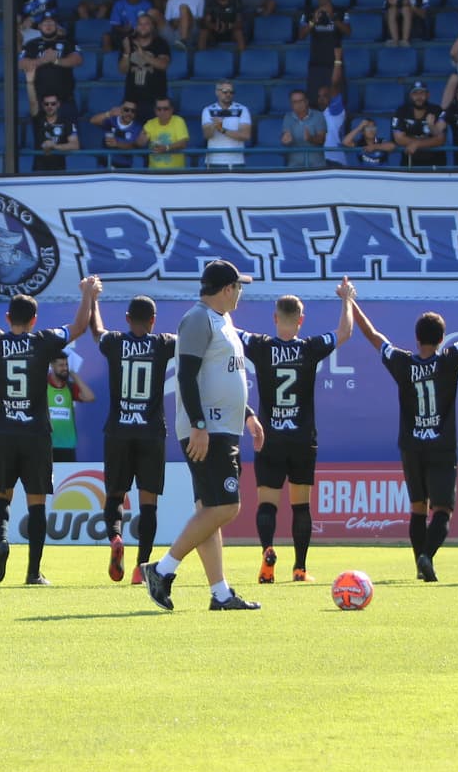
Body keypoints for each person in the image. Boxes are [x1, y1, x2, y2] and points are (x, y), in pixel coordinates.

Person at [352, 276, 458, 583]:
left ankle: (419, 563)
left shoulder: (403, 363)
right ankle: (427, 555)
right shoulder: (449, 360)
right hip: (442, 445)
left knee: (417, 507)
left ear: (417, 339)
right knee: (442, 510)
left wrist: (350, 302)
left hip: (411, 445)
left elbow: (372, 335)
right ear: (442, 340)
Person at [0, 271, 95, 587]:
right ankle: (33, 572)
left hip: (2, 431)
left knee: (0, 497)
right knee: (37, 503)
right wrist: (87, 293)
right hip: (35, 434)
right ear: (34, 319)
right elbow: (80, 326)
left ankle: (2, 541)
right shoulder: (43, 341)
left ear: (7, 318)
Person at [142, 259, 267, 613]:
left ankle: (220, 594)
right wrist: (198, 424)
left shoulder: (222, 320)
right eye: (238, 287)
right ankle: (162, 570)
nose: (240, 293)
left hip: (221, 426)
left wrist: (248, 415)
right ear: (226, 289)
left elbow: (223, 376)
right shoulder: (198, 318)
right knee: (227, 506)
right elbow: (186, 375)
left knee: (208, 512)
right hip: (208, 429)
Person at [242, 281, 356, 585]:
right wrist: (346, 299)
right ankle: (300, 569)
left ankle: (267, 554)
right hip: (302, 440)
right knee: (301, 505)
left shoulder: (261, 346)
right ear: (301, 320)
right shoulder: (309, 348)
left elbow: (229, 330)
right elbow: (345, 332)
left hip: (269, 438)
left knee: (267, 504)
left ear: (275, 317)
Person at [90, 292, 176, 584]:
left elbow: (96, 331)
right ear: (153, 320)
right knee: (148, 502)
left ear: (127, 318)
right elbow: (191, 341)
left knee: (115, 495)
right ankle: (141, 567)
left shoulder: (115, 342)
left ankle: (116, 537)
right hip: (151, 432)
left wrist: (93, 300)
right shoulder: (163, 343)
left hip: (119, 431)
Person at [46, 354, 94, 462]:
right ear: (52, 366)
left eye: (66, 365)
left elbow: (90, 397)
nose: (65, 368)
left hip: (67, 445)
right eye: (61, 365)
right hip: (47, 444)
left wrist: (74, 376)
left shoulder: (69, 386)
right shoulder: (43, 386)